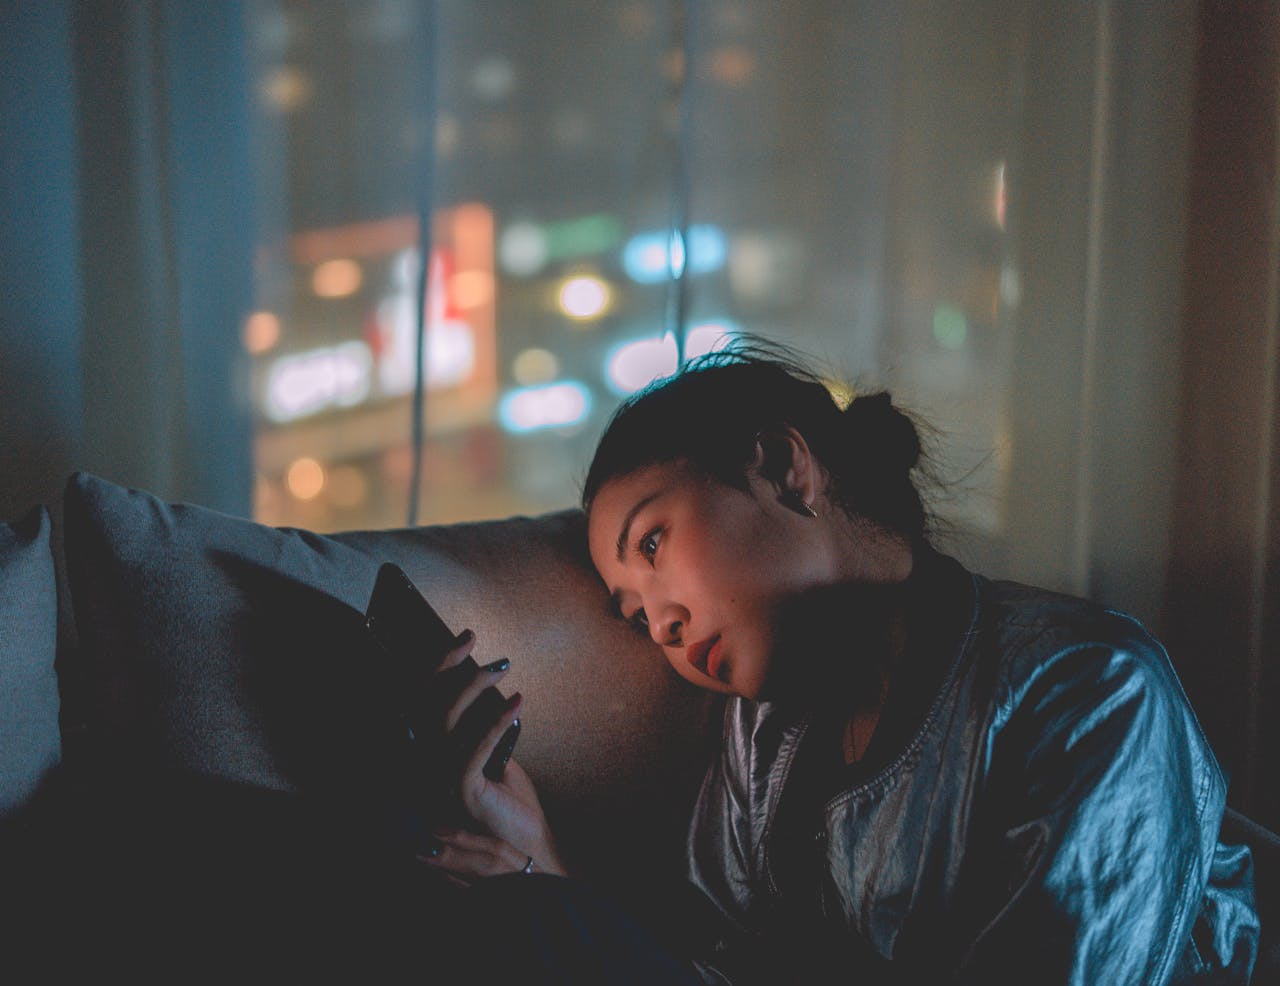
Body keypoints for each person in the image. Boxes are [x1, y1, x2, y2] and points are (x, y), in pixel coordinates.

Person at [417, 340, 1261, 984]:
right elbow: (710, 966)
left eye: (654, 542)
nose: (663, 626)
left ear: (786, 469)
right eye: (634, 615)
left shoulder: (1088, 688)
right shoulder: (763, 739)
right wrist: (545, 867)